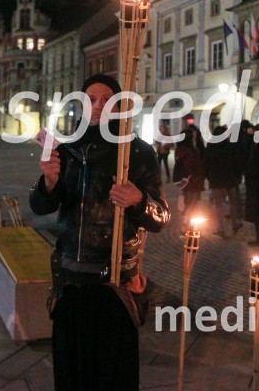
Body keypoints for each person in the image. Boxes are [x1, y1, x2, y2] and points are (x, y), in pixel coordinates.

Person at [29, 74, 169, 391]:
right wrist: (49, 182)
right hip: (70, 282)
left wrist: (138, 201)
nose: (98, 105)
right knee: (72, 372)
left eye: (106, 99)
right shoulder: (66, 151)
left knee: (112, 374)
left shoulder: (137, 152)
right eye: (91, 99)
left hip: (115, 283)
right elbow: (40, 206)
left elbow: (161, 217)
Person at [204, 125, 243, 236]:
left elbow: (205, 165)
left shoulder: (210, 147)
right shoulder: (231, 147)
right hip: (230, 179)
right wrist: (236, 176)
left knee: (218, 205)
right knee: (233, 202)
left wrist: (209, 176)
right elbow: (238, 164)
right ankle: (234, 224)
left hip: (216, 179)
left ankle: (220, 228)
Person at [173, 126, 205, 228]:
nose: (194, 137)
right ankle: (186, 224)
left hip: (186, 181)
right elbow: (191, 166)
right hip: (193, 180)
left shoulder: (180, 149)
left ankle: (187, 223)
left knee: (188, 202)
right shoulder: (189, 150)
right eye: (193, 136)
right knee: (191, 204)